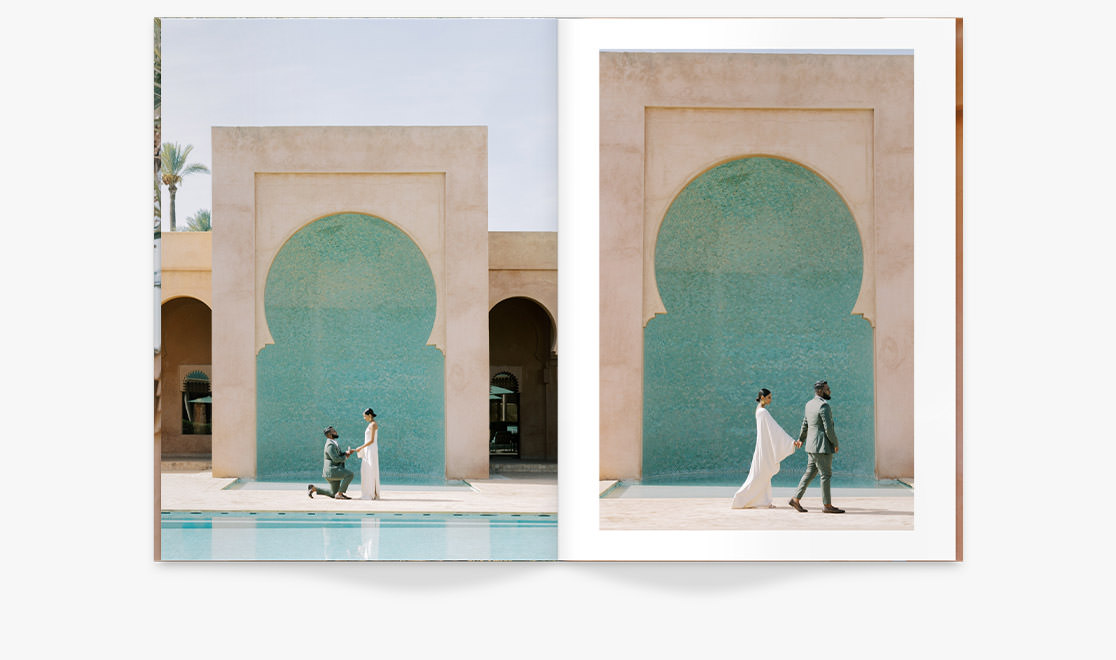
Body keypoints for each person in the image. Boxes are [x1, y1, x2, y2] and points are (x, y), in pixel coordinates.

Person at [730, 388, 802, 509]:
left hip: (762, 447)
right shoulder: (763, 412)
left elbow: (771, 430)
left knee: (763, 474)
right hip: (764, 449)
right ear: (762, 397)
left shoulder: (758, 410)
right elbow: (775, 429)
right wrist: (791, 442)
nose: (771, 400)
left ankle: (763, 501)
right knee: (759, 475)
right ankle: (740, 499)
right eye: (769, 397)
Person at [788, 380, 845, 513]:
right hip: (822, 446)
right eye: (827, 389)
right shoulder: (824, 406)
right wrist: (835, 443)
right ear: (820, 391)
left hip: (811, 446)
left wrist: (801, 439)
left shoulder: (809, 404)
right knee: (825, 475)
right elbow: (828, 429)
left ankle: (795, 499)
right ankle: (827, 505)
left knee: (810, 473)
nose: (829, 391)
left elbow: (805, 424)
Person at [308, 426, 354, 499]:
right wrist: (345, 457)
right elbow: (335, 459)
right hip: (332, 471)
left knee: (333, 493)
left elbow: (338, 454)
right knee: (350, 475)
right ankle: (340, 493)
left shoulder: (333, 443)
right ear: (329, 435)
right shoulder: (330, 445)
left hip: (332, 471)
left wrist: (346, 453)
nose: (336, 432)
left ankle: (314, 489)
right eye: (334, 431)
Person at [352, 407, 381, 500]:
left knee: (370, 469)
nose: (364, 418)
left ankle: (371, 492)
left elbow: (372, 440)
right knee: (367, 470)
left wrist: (361, 447)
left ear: (369, 415)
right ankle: (368, 491)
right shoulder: (371, 424)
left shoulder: (373, 424)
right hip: (368, 449)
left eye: (365, 416)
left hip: (371, 449)